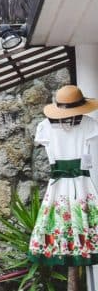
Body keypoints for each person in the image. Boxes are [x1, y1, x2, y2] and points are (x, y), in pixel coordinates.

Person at [29, 85, 98, 266]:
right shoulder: (45, 127)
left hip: (69, 182)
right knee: (76, 219)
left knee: (63, 220)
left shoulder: (89, 124)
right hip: (77, 184)